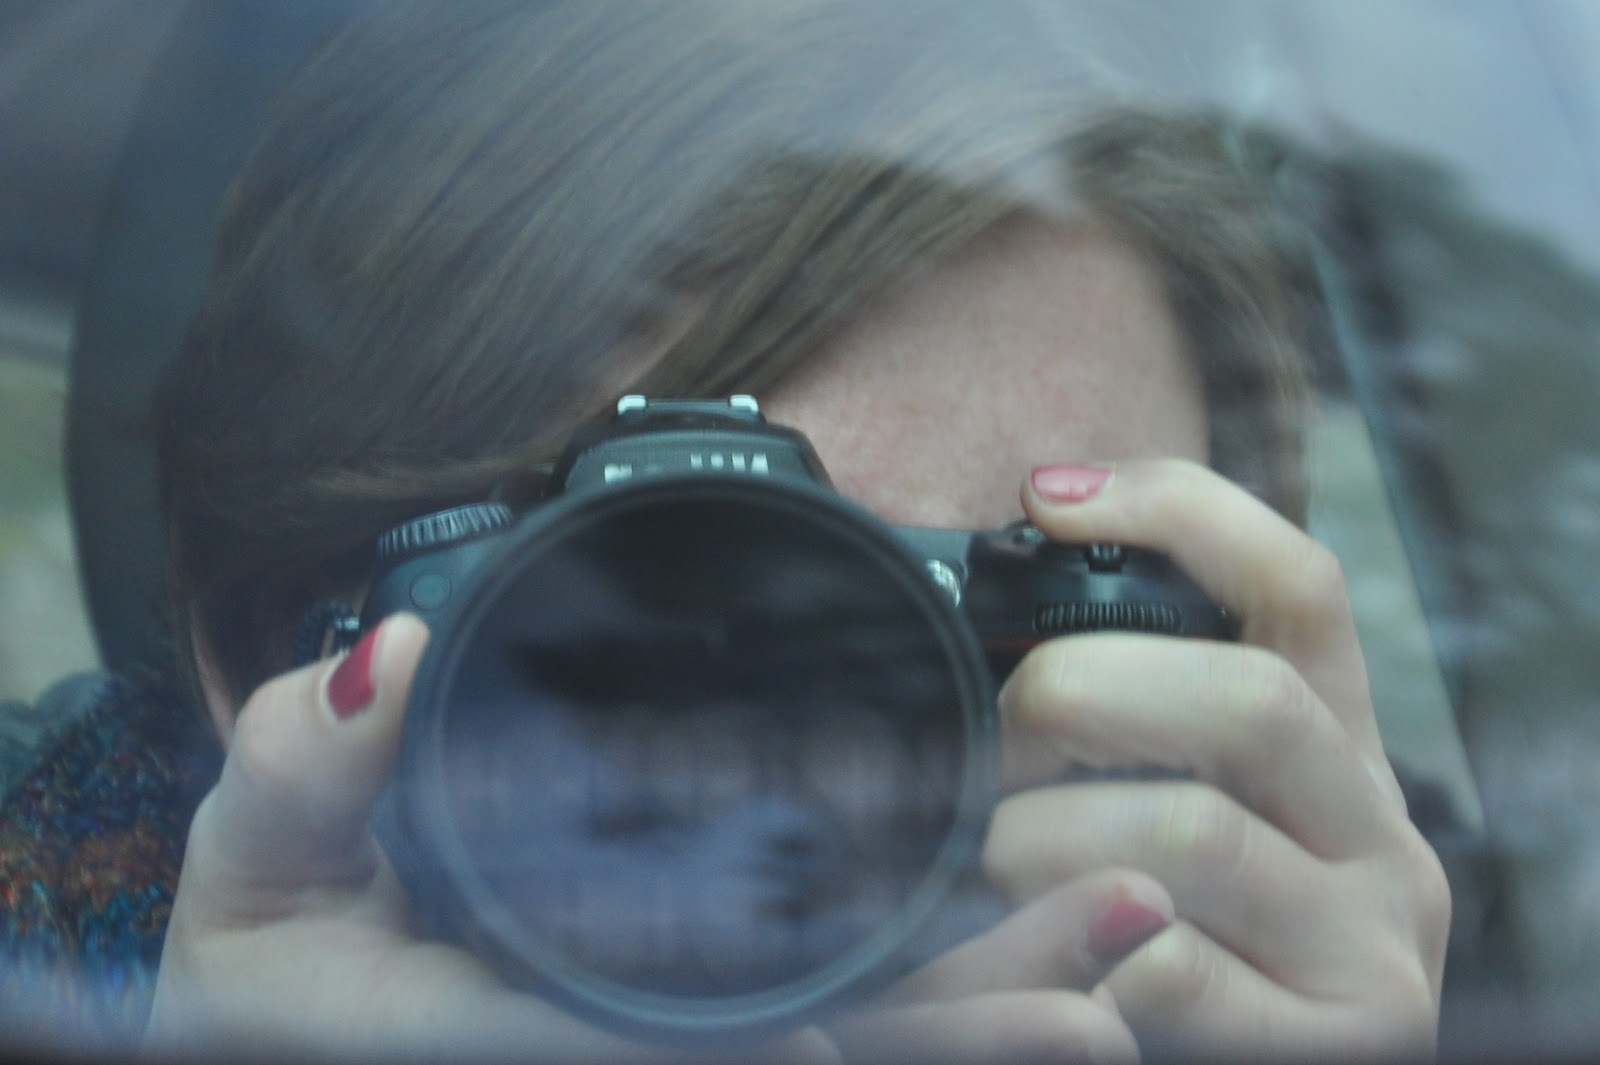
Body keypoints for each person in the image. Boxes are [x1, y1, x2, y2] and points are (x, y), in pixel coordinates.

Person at [1, 1, 1449, 1060]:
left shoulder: (1308, 964)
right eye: (673, 639)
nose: (812, 804)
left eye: (1019, 622)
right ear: (276, 662)